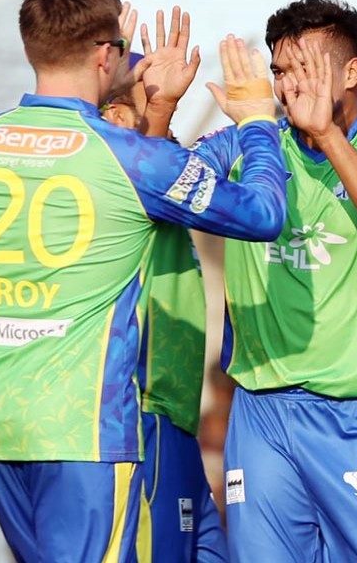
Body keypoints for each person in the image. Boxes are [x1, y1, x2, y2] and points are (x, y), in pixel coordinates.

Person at [0, 0, 287, 561]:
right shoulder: (130, 157)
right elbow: (262, 213)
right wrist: (258, 121)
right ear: (107, 54)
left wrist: (120, 74)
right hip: (83, 425)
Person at [188, 0, 357, 562]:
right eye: (278, 71)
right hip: (261, 412)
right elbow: (159, 192)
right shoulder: (249, 142)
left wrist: (328, 137)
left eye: (304, 70)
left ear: (353, 73)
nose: (286, 86)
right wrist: (157, 111)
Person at [102, 52, 228, 562]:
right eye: (150, 96)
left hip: (175, 415)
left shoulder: (165, 171)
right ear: (115, 117)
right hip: (142, 413)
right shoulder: (120, 180)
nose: (167, 106)